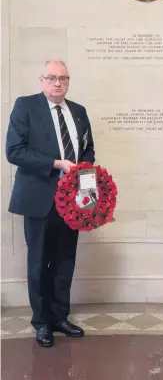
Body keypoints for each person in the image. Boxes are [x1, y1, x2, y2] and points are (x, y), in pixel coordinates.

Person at [6, 61, 95, 347]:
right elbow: (14, 151)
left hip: (73, 201)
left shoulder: (79, 111)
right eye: (52, 78)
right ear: (42, 80)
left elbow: (88, 149)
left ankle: (59, 316)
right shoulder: (25, 106)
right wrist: (56, 164)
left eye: (63, 78)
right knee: (38, 262)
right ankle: (41, 322)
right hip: (38, 199)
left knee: (65, 260)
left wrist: (86, 183)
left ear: (68, 81)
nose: (58, 83)